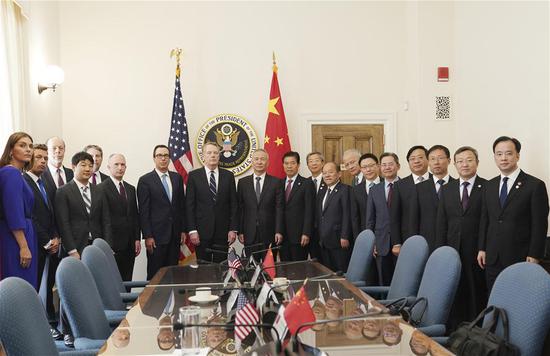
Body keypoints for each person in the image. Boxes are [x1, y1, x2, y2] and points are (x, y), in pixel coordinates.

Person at [478, 136, 549, 291]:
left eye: (508, 153)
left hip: (521, 255)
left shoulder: (534, 185)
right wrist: (482, 248)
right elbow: (485, 219)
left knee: (518, 300)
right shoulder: (489, 185)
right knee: (494, 298)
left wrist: (535, 254)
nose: (503, 158)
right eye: (499, 154)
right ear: (494, 157)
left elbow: (540, 223)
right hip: (493, 256)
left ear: (517, 155)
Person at [436, 146, 487, 330]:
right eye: (460, 161)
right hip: (451, 249)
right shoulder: (447, 189)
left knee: (475, 292)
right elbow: (441, 222)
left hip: (475, 251)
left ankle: (475, 331)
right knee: (453, 290)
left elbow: (486, 221)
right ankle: (454, 330)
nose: (464, 164)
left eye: (469, 160)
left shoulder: (487, 187)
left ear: (477, 162)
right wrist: (440, 251)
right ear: (454, 164)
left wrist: (483, 247)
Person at [23, 143, 61, 337]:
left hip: (50, 244)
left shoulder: (44, 182)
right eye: (39, 157)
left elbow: (51, 213)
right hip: (34, 244)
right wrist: (47, 241)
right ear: (29, 158)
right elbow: (30, 216)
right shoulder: (24, 181)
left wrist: (55, 237)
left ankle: (47, 326)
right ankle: (34, 332)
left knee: (46, 289)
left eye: (45, 158)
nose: (43, 161)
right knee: (34, 289)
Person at [137, 145, 186, 278]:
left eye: (166, 155)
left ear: (169, 158)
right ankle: (154, 299)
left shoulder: (177, 178)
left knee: (173, 273)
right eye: (160, 155)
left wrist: (182, 230)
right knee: (155, 274)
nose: (163, 158)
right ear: (154, 158)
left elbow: (181, 206)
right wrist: (148, 236)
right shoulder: (145, 180)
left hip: (175, 235)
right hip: (156, 237)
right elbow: (144, 211)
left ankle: (172, 299)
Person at [186, 142, 238, 262]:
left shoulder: (228, 176)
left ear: (219, 156)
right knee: (204, 269)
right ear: (203, 156)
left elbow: (233, 205)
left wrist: (233, 229)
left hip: (223, 232)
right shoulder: (194, 176)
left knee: (222, 267)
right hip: (201, 232)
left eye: (215, 153)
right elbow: (189, 205)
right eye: (209, 153)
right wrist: (192, 230)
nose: (213, 155)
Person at [55, 151, 112, 258]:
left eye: (91, 166)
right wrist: (71, 250)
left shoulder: (99, 190)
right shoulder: (63, 191)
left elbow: (106, 220)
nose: (87, 169)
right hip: (75, 247)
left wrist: (107, 246)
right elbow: (63, 224)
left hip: (97, 246)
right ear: (73, 167)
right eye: (83, 165)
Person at [0, 132, 38, 289]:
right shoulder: (11, 173)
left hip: (18, 233)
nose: (28, 149)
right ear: (10, 150)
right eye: (22, 145)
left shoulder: (16, 173)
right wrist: (23, 246)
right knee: (21, 287)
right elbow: (14, 212)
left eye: (30, 146)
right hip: (16, 237)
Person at [100, 153, 141, 281]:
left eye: (122, 165)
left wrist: (137, 239)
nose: (120, 167)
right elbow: (103, 219)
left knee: (127, 279)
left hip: (130, 245)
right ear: (108, 167)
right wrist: (107, 244)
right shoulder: (101, 188)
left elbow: (135, 215)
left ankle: (128, 302)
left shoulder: (130, 189)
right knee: (113, 282)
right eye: (116, 164)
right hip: (112, 245)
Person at [237, 149, 283, 256]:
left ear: (268, 163)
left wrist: (278, 231)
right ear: (252, 162)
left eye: (262, 159)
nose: (259, 162)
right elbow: (240, 208)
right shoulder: (243, 183)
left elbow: (279, 208)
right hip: (249, 232)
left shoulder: (276, 182)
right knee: (251, 267)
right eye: (256, 159)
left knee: (269, 268)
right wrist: (240, 231)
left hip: (270, 233)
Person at [410, 145, 455, 252]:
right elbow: (413, 219)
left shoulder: (457, 185)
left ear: (448, 160)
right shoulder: (419, 188)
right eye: (432, 159)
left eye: (440, 158)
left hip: (452, 242)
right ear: (428, 162)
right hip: (426, 243)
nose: (436, 162)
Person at [366, 152, 400, 286]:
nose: (387, 167)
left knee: (402, 280)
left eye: (390, 164)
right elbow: (370, 219)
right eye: (384, 165)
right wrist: (372, 242)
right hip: (381, 242)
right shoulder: (375, 189)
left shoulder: (406, 186)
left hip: (401, 243)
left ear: (398, 166)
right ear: (380, 167)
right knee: (384, 281)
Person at [390, 145, 430, 256]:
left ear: (428, 160)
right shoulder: (400, 185)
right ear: (408, 163)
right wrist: (397, 243)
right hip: (407, 238)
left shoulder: (437, 182)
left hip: (432, 238)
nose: (416, 161)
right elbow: (394, 216)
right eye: (412, 159)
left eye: (420, 157)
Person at [280, 151, 314, 262]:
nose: (289, 166)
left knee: (299, 269)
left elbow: (309, 210)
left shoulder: (306, 183)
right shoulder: (278, 183)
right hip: (282, 236)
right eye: (286, 163)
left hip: (299, 236)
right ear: (283, 165)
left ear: (298, 165)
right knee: (283, 269)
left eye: (292, 163)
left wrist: (306, 232)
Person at [316, 162, 351, 272]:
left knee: (340, 273)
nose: (327, 175)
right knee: (328, 273)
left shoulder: (345, 190)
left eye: (330, 172)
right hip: (324, 240)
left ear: (339, 174)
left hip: (339, 240)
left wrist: (345, 235)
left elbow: (347, 214)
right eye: (324, 173)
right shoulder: (323, 191)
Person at [351, 153, 381, 239]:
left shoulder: (387, 185)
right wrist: (358, 238)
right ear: (361, 169)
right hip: (364, 235)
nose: (368, 169)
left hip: (385, 235)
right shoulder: (356, 190)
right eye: (364, 167)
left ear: (378, 166)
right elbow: (355, 217)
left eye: (371, 165)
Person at [306, 151, 325, 261]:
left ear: (322, 163)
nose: (313, 164)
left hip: (326, 230)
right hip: (310, 230)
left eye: (316, 161)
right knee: (314, 262)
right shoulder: (306, 182)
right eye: (310, 161)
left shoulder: (328, 180)